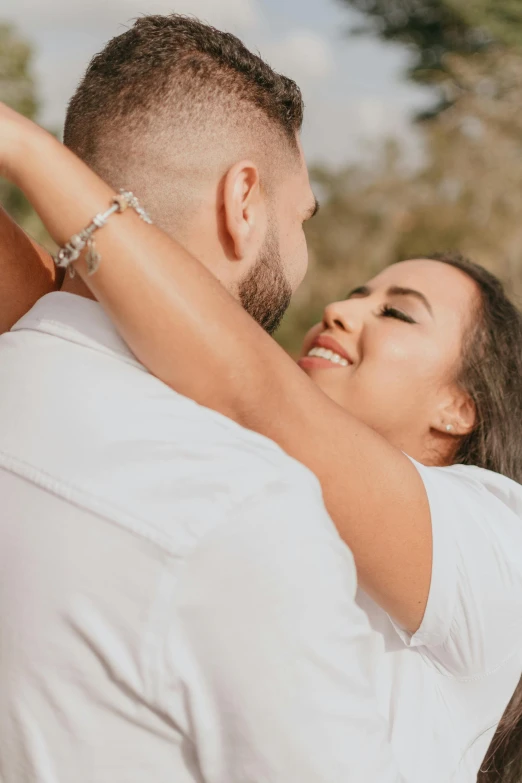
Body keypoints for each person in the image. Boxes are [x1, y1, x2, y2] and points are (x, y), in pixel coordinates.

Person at [3, 43, 522, 782]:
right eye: (360, 290)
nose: (342, 306)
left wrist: (27, 151)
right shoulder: (217, 459)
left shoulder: (496, 538)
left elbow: (253, 386)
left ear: (458, 406)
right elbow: (60, 320)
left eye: (398, 313)